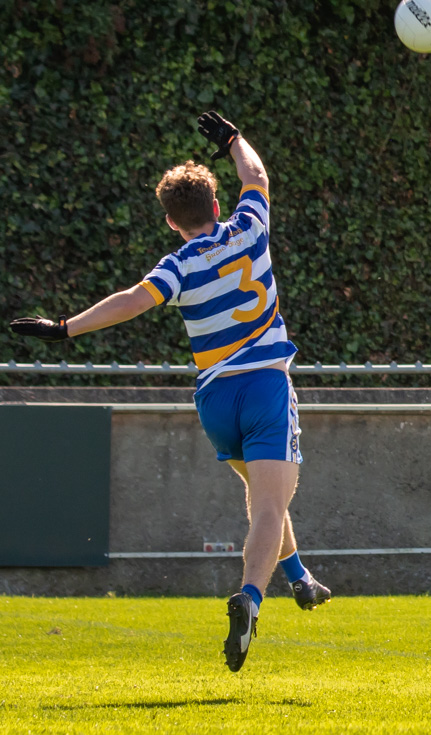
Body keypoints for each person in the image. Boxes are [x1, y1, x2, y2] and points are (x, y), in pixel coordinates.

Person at [9, 112, 330, 673]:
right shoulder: (250, 227)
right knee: (271, 504)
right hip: (263, 385)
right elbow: (256, 176)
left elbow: (131, 299)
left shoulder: (176, 266)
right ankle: (251, 601)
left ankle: (300, 578)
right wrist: (232, 140)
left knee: (262, 500)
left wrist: (64, 328)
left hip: (213, 401)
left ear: (170, 222)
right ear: (215, 206)